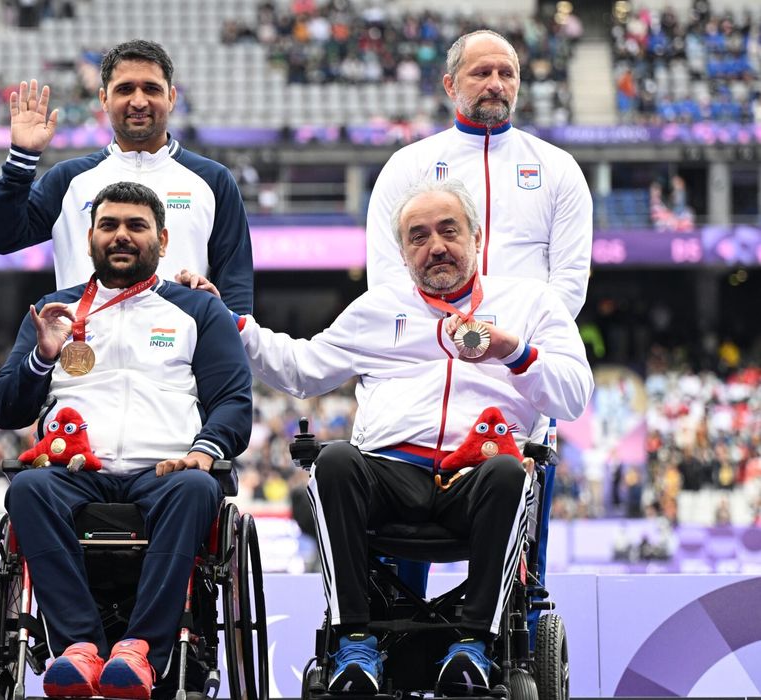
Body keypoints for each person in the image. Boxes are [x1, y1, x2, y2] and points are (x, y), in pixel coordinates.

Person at [184, 178, 591, 695]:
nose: (435, 246)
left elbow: (574, 394)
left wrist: (515, 354)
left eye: (449, 231)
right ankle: (354, 640)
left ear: (478, 238)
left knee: (510, 472)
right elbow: (302, 370)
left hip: (481, 479)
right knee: (334, 461)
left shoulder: (530, 303)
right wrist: (234, 323)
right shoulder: (377, 309)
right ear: (403, 253)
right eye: (418, 237)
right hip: (391, 477)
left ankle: (473, 646)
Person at [0, 181, 252, 700]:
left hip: (166, 471)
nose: (122, 236)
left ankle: (140, 653)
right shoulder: (52, 310)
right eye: (109, 226)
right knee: (26, 490)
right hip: (73, 473)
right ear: (89, 238)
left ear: (162, 237)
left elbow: (235, 401)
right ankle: (78, 647)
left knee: (198, 489)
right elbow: (4, 409)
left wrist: (205, 450)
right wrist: (42, 358)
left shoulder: (198, 311)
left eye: (136, 226)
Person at [0, 39, 255, 314]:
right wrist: (21, 160)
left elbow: (236, 285)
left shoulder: (213, 180)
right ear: (104, 98)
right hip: (84, 352)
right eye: (125, 89)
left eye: (151, 88)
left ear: (171, 97)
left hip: (182, 355)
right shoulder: (68, 180)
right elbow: (1, 238)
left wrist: (232, 342)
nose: (138, 101)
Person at [365, 29, 593, 320]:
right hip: (435, 350)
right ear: (450, 85)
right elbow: (387, 275)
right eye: (482, 73)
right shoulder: (408, 165)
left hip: (526, 350)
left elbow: (570, 278)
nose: (496, 85)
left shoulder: (559, 167)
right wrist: (438, 339)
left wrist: (520, 341)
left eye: (506, 74)